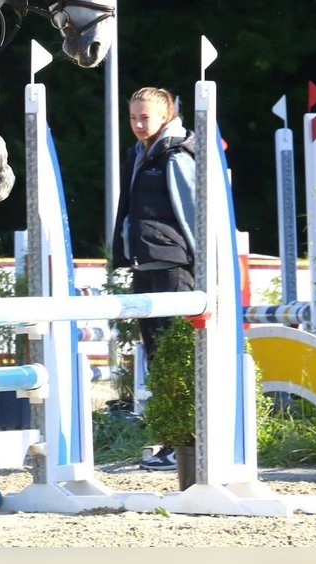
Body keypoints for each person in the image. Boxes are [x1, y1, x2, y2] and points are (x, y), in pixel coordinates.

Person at [111, 86, 196, 471]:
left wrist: (201, 266)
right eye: (133, 118)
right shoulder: (140, 154)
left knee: (175, 359)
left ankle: (185, 444)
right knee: (156, 359)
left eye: (145, 118)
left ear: (165, 116)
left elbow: (193, 211)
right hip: (145, 267)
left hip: (175, 268)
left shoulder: (177, 154)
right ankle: (170, 441)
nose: (138, 124)